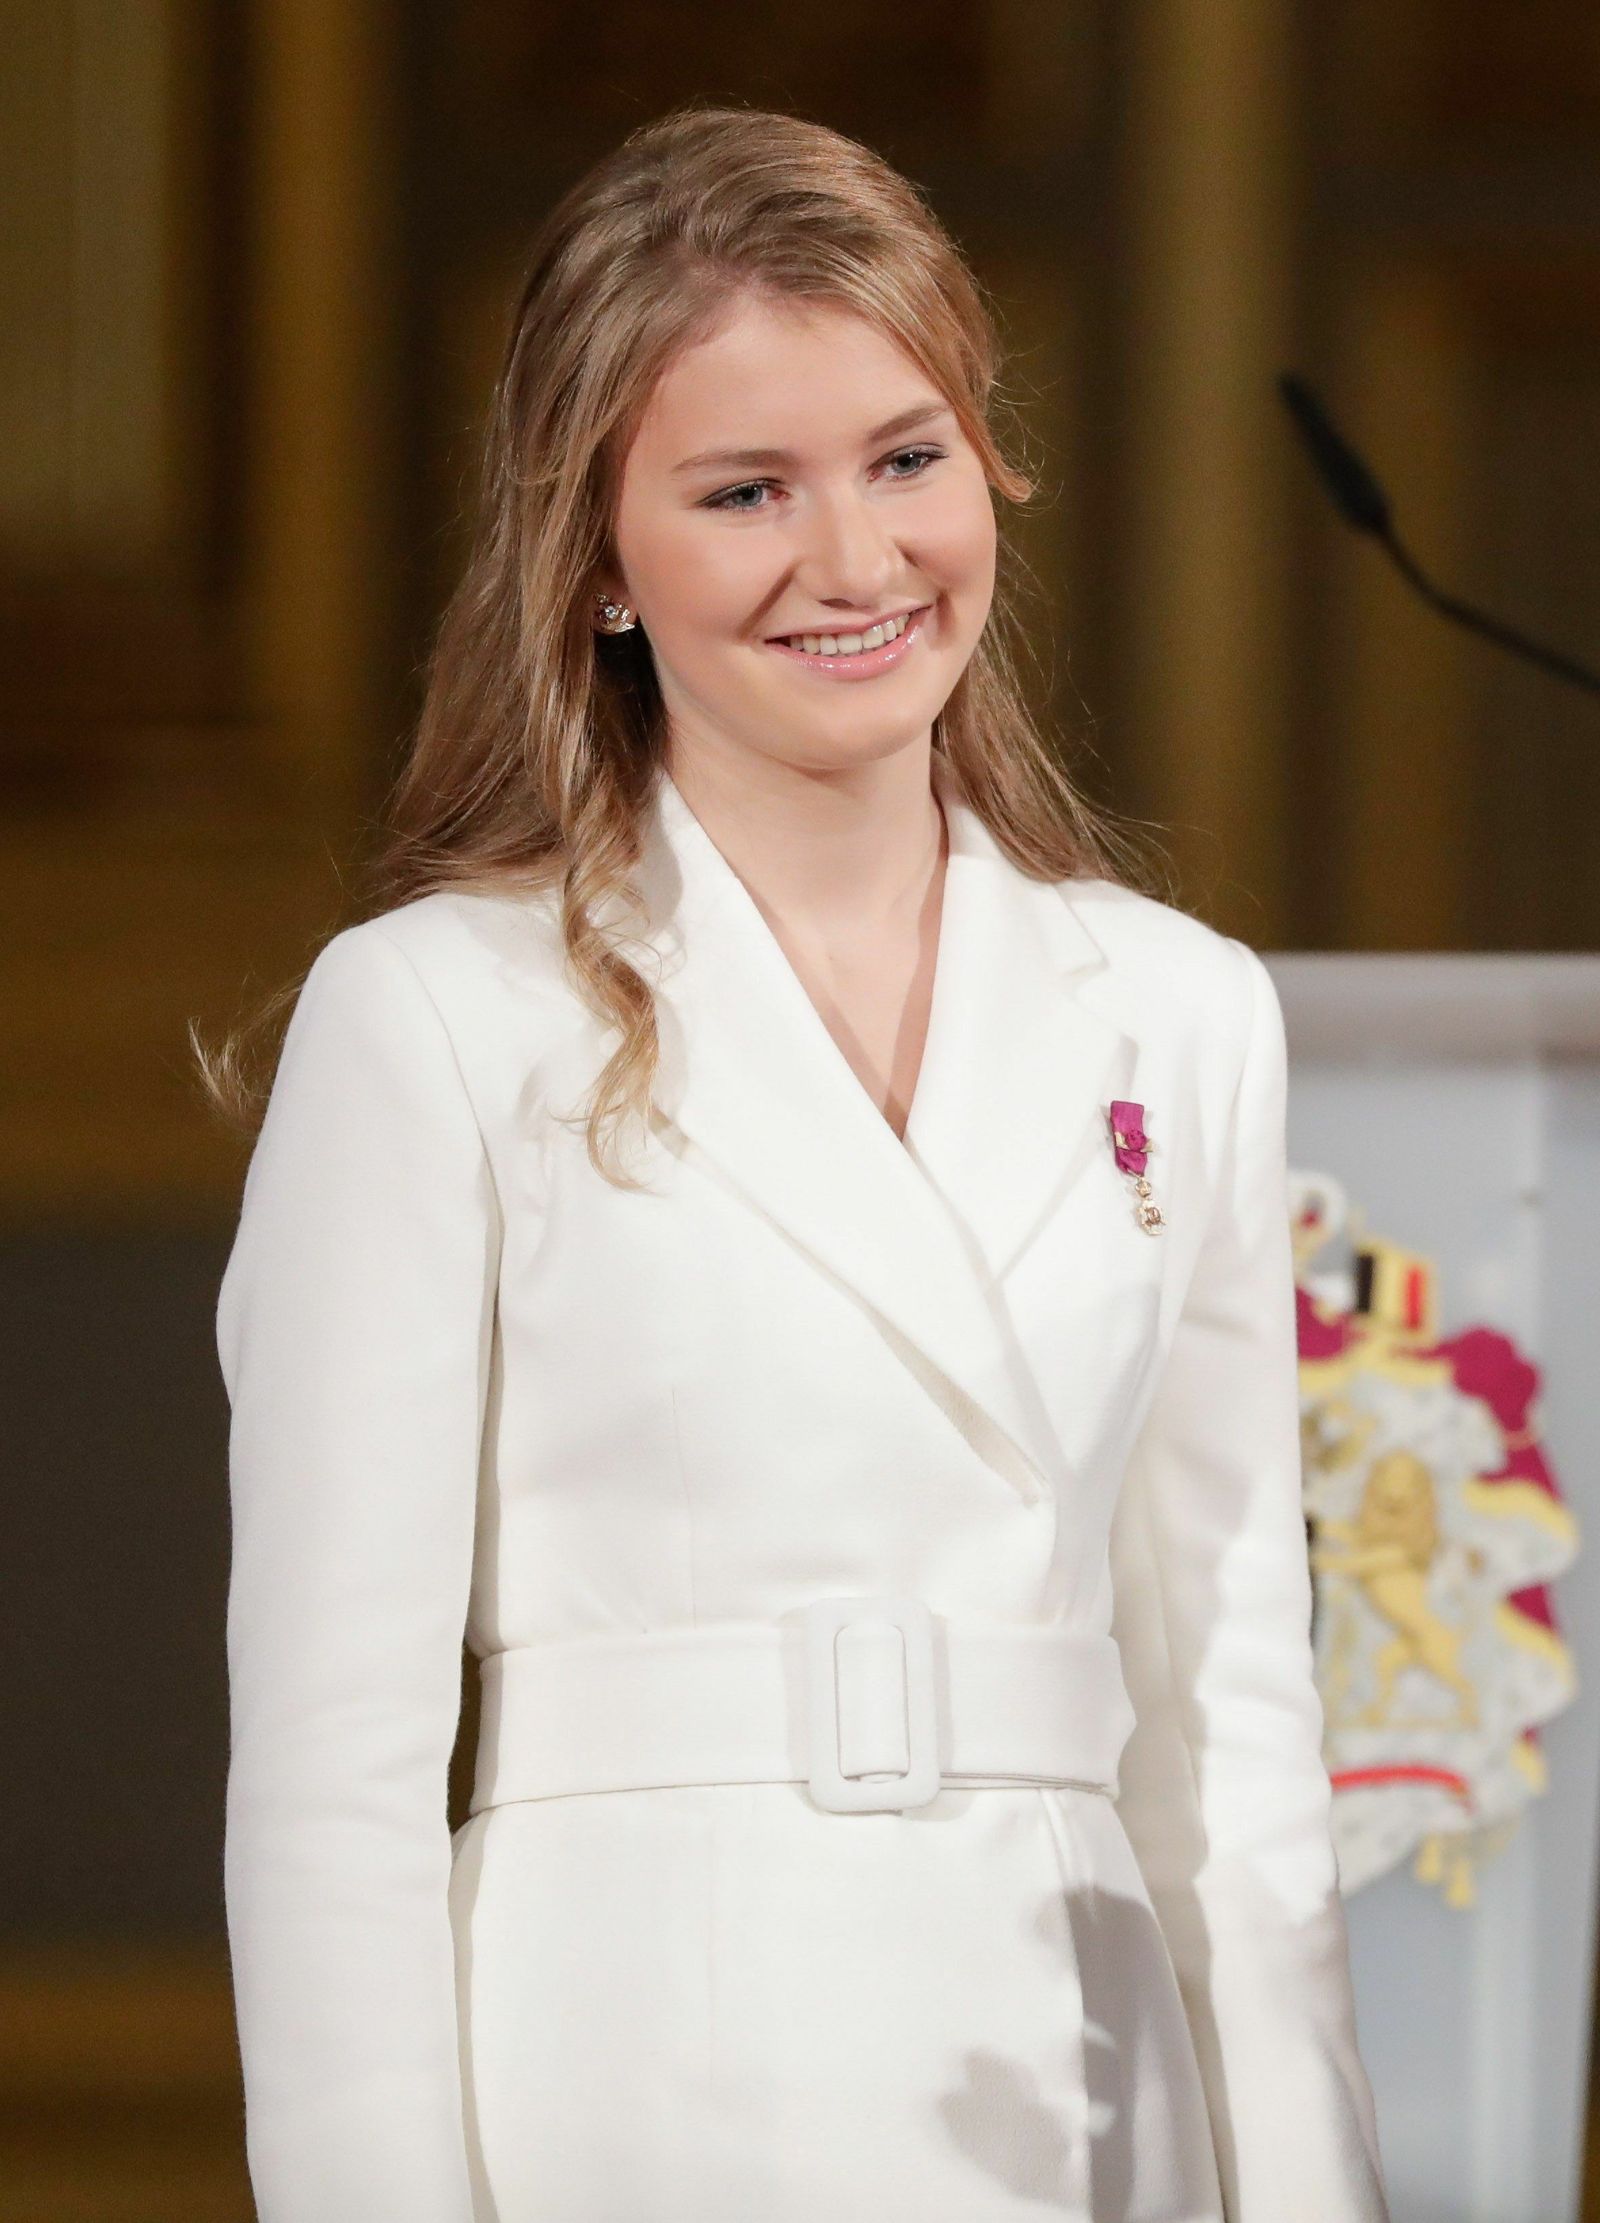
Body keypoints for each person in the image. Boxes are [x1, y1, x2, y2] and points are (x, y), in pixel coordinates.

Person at [206, 103, 1392, 2223]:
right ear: (594, 555)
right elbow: (330, 1780)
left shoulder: (1179, 1008)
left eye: (904, 458)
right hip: (639, 2082)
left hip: (1082, 2092)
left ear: (989, 466)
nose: (853, 561)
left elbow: (1231, 1735)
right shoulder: (438, 1016)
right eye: (745, 488)